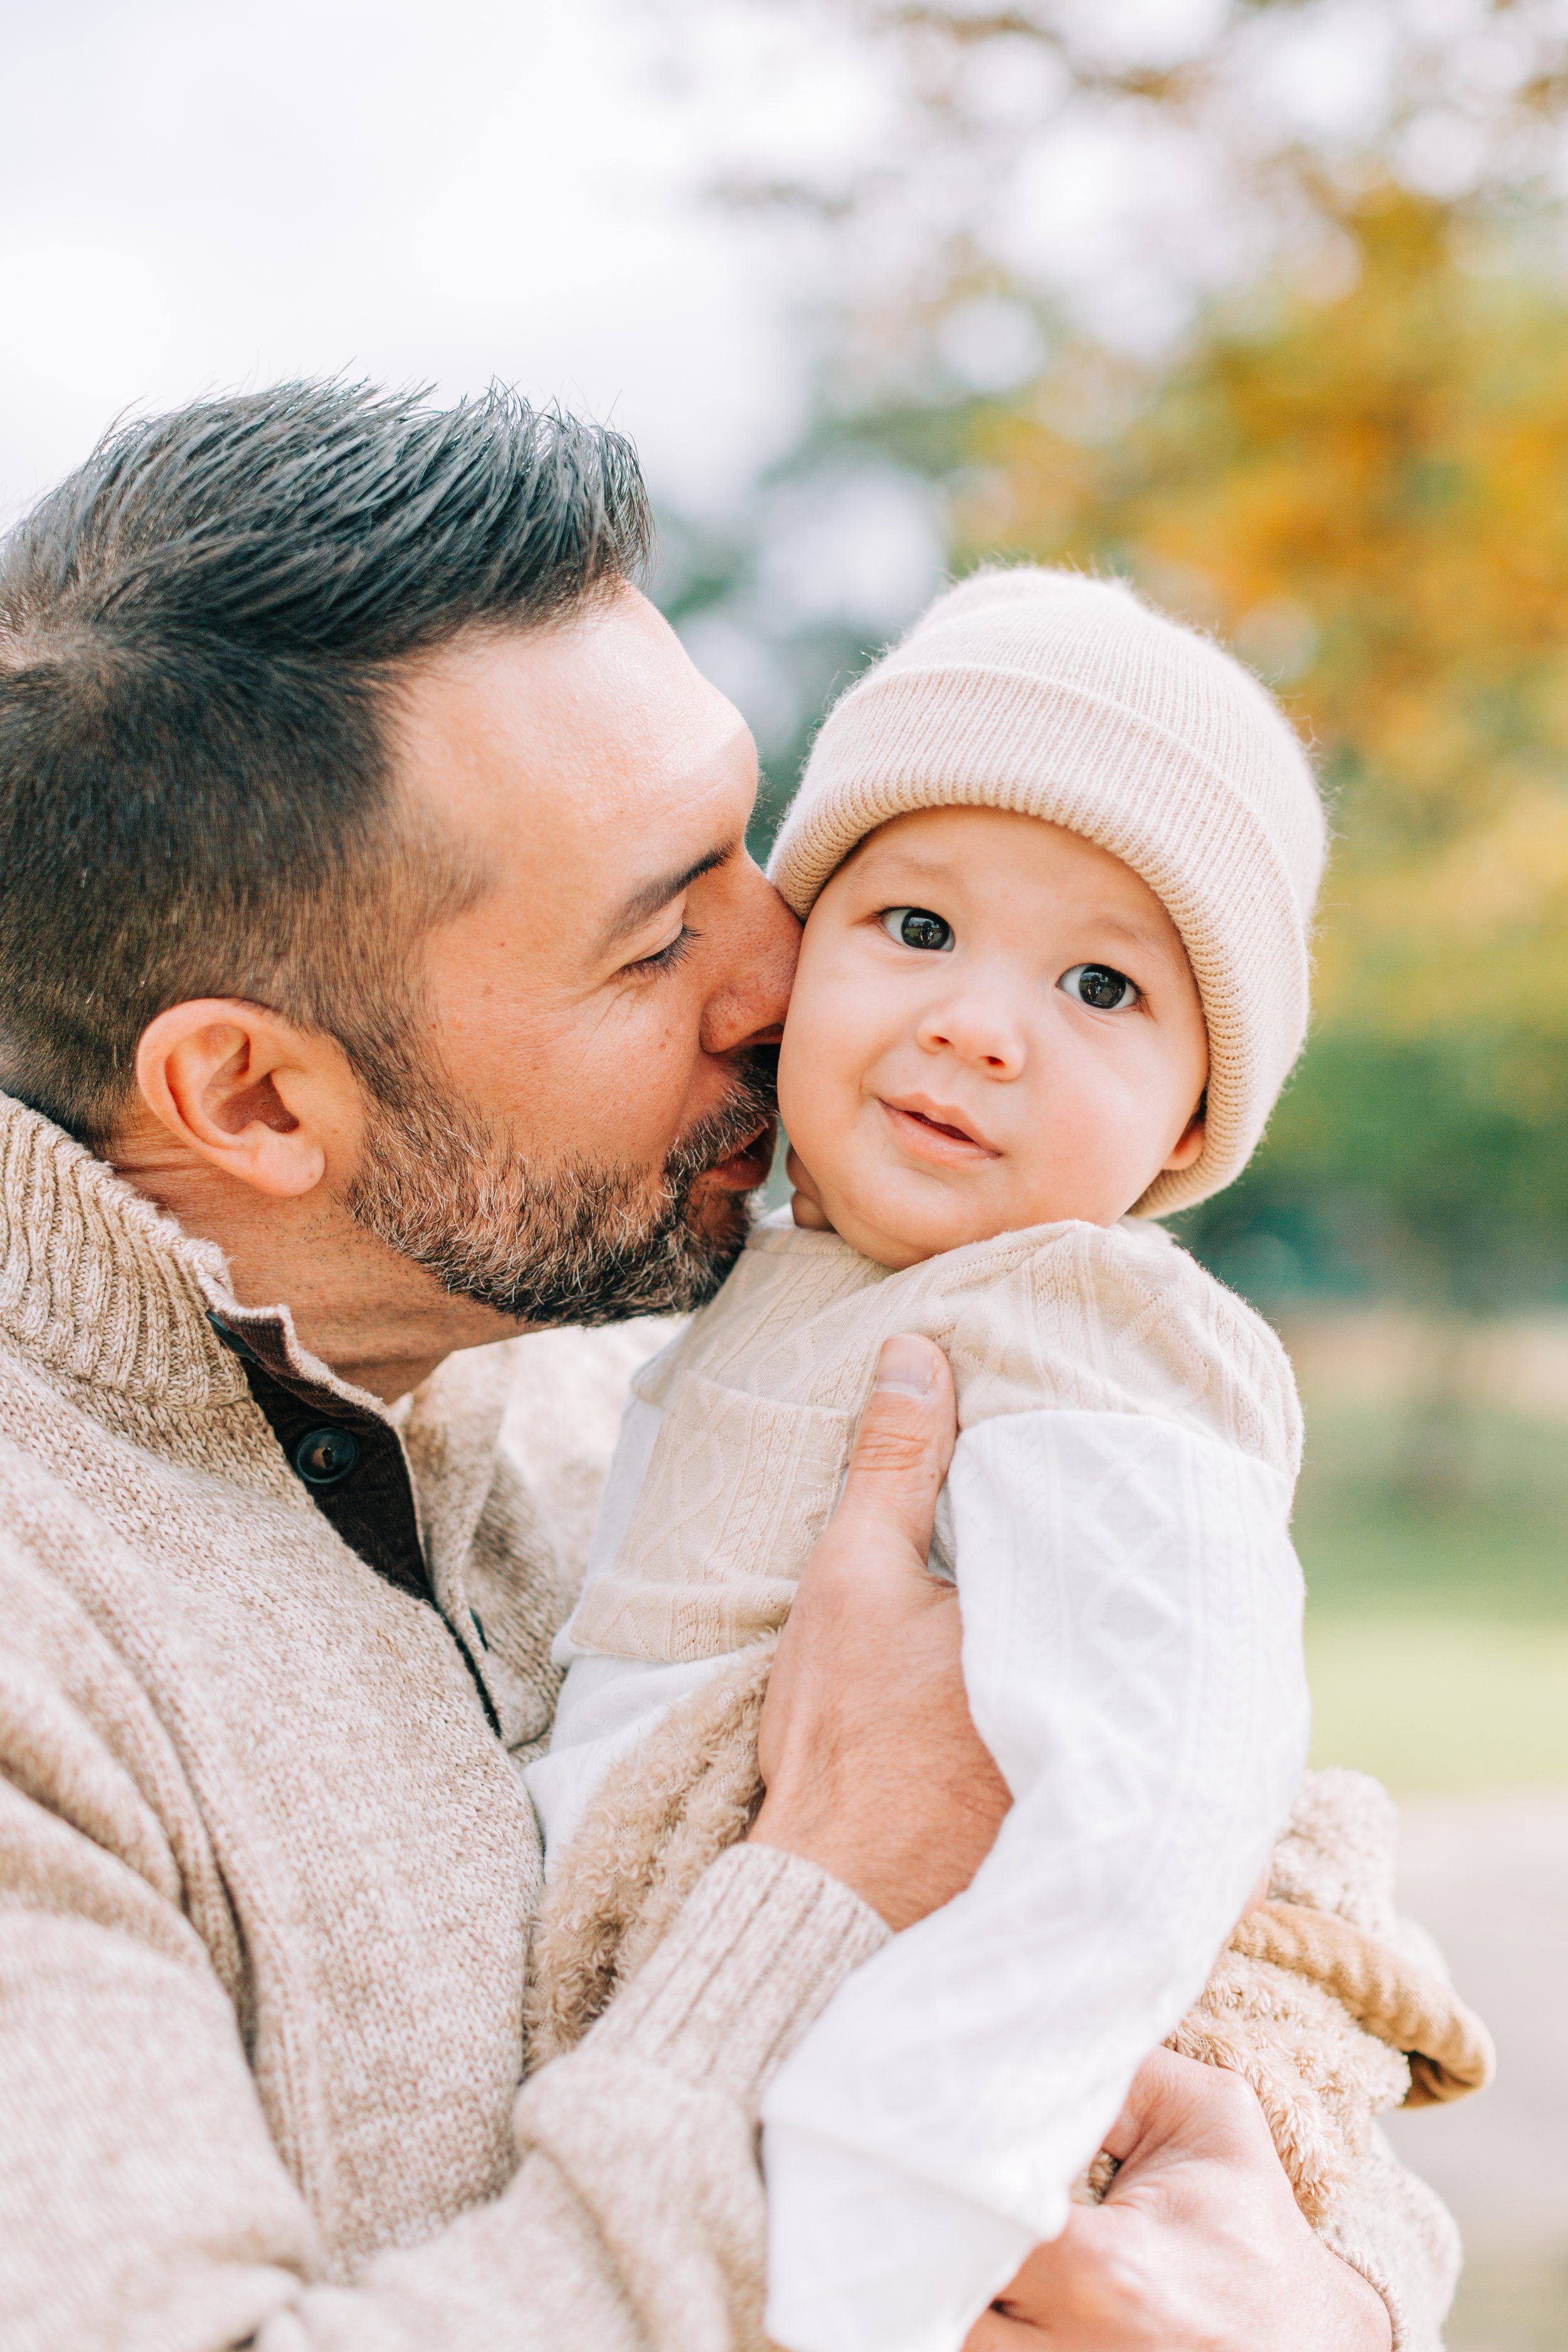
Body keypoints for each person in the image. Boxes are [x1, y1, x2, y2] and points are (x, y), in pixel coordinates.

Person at [0, 381, 1443, 2351]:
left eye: (743, 843)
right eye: (654, 936)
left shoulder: (627, 1375)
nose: (791, 968)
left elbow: (1245, 1862)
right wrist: (826, 1883)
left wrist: (1317, 2282)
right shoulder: (41, 1636)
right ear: (253, 1092)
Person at [527, 569, 1483, 2352]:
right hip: (671, 2114)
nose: (980, 1021)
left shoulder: (1081, 1330)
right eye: (912, 925)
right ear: (794, 951)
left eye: (1102, 982)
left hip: (908, 2176)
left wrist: (904, 2178)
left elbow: (1156, 1793)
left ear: (1191, 1122)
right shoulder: (717, 1300)